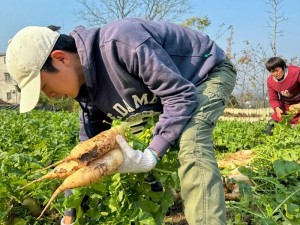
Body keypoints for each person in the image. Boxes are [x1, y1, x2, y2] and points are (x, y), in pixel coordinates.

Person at [6, 18, 237, 225]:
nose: (50, 96)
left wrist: (153, 154)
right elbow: (87, 151)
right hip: (163, 97)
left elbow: (180, 95)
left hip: (203, 74)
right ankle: (154, 199)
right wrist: (69, 212)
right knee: (134, 146)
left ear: (60, 58)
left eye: (45, 87)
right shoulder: (88, 95)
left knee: (191, 142)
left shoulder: (121, 42)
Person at [265, 57, 300, 135]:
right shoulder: (270, 81)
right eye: (272, 71)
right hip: (286, 105)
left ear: (283, 67)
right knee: (270, 127)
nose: (275, 74)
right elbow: (273, 98)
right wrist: (277, 108)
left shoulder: (296, 72)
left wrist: (298, 105)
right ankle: (264, 145)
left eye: (277, 70)